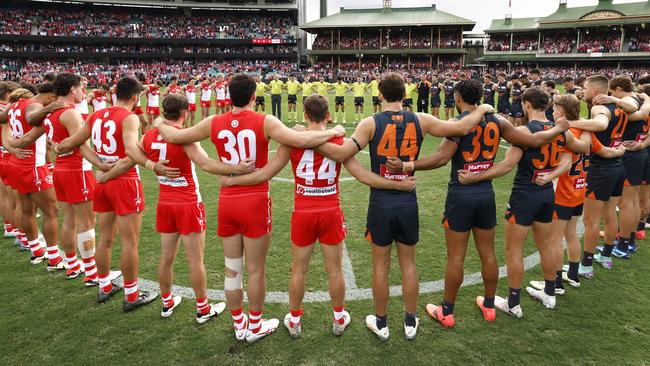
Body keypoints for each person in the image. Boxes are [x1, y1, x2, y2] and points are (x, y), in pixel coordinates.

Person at [153, 73, 346, 343]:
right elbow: (301, 141)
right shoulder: (265, 120)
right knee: (255, 270)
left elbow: (179, 138)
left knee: (233, 268)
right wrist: (334, 131)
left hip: (227, 201)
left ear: (229, 96)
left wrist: (160, 121)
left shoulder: (213, 121)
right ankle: (254, 325)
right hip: (255, 200)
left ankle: (238, 323)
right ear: (254, 96)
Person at [315, 72, 495, 341]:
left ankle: (382, 323)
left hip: (381, 201)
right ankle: (410, 322)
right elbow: (461, 128)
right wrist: (481, 106)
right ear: (405, 95)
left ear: (379, 94)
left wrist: (313, 137)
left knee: (380, 266)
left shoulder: (369, 122)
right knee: (409, 264)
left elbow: (342, 154)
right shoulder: (420, 119)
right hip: (408, 199)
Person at [220, 94, 416, 338]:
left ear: (304, 116)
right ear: (328, 116)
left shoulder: (293, 141)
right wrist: (396, 184)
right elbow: (362, 175)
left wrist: (232, 180)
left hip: (303, 212)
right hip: (331, 211)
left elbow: (265, 173)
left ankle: (294, 319)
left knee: (298, 270)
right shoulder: (339, 141)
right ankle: (338, 317)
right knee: (334, 270)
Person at [387, 81, 569, 328]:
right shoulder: (498, 121)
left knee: (456, 258)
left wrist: (409, 166)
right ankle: (490, 304)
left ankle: (447, 311)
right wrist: (558, 128)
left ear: (458, 97)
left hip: (461, 193)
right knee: (488, 253)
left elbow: (441, 159)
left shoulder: (459, 124)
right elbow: (534, 141)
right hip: (486, 194)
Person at [458, 87, 586, 315]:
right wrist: (555, 172)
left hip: (525, 195)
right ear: (546, 106)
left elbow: (506, 166)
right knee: (547, 245)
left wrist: (475, 177)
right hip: (547, 193)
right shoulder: (560, 132)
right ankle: (549, 294)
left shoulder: (525, 132)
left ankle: (513, 303)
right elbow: (579, 149)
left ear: (526, 105)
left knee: (513, 250)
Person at [56, 77, 172, 311]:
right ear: (135, 97)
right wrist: (152, 165)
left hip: (102, 181)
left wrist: (99, 163)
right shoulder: (128, 117)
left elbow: (77, 143)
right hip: (125, 182)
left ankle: (105, 286)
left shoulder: (96, 115)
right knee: (130, 242)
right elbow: (130, 149)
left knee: (105, 238)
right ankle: (131, 295)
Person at [142, 94, 254, 322]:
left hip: (165, 203)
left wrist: (150, 164)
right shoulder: (183, 138)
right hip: (188, 203)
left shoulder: (150, 136)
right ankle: (203, 308)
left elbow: (132, 151)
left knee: (166, 257)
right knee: (195, 260)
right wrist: (237, 169)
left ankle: (166, 302)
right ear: (184, 113)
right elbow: (206, 164)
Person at [12, 73, 118, 286]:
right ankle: (91, 273)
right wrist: (103, 165)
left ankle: (72, 266)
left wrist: (10, 146)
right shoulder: (70, 113)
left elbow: (25, 139)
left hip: (59, 171)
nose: (82, 92)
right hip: (77, 170)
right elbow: (81, 145)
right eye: (80, 88)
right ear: (71, 89)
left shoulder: (50, 113)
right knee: (87, 222)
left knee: (70, 219)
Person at [568, 75, 638, 275]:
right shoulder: (621, 106)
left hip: (600, 169)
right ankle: (606, 256)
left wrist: (572, 123)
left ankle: (586, 265)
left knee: (591, 221)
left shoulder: (598, 106)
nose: (583, 91)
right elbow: (633, 108)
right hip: (617, 165)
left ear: (595, 91)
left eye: (586, 88)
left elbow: (600, 125)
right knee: (609, 214)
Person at [0, 82, 63, 268]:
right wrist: (48, 110)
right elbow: (31, 117)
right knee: (51, 211)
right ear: (51, 96)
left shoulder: (13, 105)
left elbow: (2, 118)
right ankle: (54, 258)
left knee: (27, 210)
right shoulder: (34, 105)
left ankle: (36, 252)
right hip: (33, 166)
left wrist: (10, 146)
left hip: (17, 165)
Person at [602, 77, 650, 257]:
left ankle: (622, 245)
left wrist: (614, 101)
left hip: (630, 154)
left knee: (626, 203)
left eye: (613, 92)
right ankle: (629, 240)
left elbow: (639, 115)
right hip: (639, 152)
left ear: (619, 89)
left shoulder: (629, 103)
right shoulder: (641, 100)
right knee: (633, 201)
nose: (611, 95)